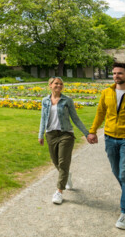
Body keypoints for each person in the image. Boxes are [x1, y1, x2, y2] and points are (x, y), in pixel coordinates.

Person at [87, 62, 125, 230]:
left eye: (120, 73)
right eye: (114, 73)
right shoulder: (107, 92)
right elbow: (100, 112)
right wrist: (92, 131)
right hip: (109, 139)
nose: (116, 76)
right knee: (116, 172)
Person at [38, 76, 90, 205]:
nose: (59, 86)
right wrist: (40, 134)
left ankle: (59, 191)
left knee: (63, 162)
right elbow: (43, 119)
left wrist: (87, 134)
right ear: (50, 85)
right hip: (51, 134)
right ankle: (67, 176)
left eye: (61, 84)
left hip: (66, 134)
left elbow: (75, 118)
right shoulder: (45, 101)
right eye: (56, 84)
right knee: (56, 162)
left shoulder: (67, 101)